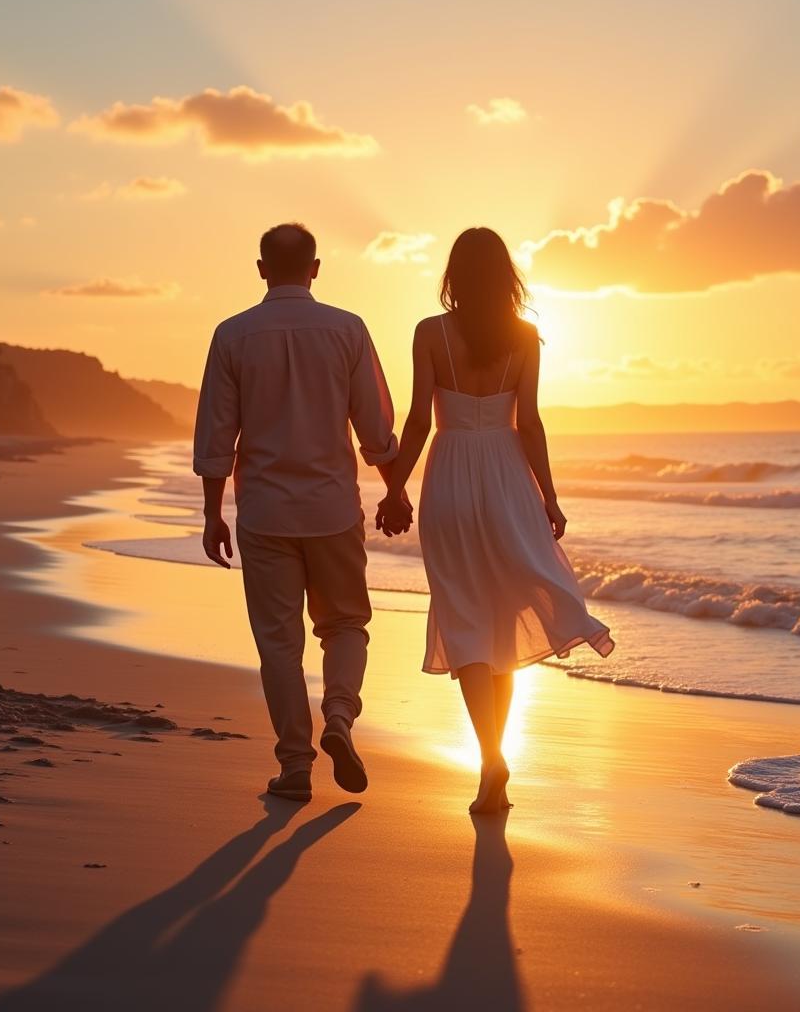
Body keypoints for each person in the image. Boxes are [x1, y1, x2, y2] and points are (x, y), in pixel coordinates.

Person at [376, 227, 615, 814]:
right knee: (504, 622)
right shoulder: (525, 337)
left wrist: (395, 488)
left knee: (464, 617)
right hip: (508, 477)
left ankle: (491, 757)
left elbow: (417, 423)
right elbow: (528, 423)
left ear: (454, 275)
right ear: (505, 274)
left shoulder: (431, 333)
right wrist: (550, 498)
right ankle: (493, 756)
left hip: (452, 474)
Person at [194, 223, 407, 803]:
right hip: (334, 508)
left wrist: (213, 514)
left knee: (278, 645)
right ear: (316, 268)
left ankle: (295, 766)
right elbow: (375, 427)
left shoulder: (232, 335)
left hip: (264, 512)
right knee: (345, 626)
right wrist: (394, 490)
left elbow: (217, 434)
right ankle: (338, 715)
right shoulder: (347, 330)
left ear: (261, 269)